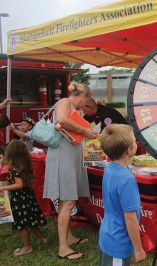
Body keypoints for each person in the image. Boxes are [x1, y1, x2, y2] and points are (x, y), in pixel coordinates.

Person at [43, 82, 96, 261]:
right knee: (67, 202)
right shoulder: (65, 102)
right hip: (62, 157)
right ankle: (63, 248)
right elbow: (62, 120)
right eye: (86, 101)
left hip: (67, 156)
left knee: (66, 200)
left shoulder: (72, 106)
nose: (85, 105)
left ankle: (69, 237)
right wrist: (84, 131)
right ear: (83, 96)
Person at [98, 124, 146, 265]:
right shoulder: (127, 179)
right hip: (118, 243)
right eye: (134, 141)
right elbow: (130, 218)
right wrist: (138, 249)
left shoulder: (110, 168)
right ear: (129, 150)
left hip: (107, 234)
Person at [0, 140, 48, 256]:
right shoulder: (24, 164)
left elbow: (19, 184)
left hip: (20, 199)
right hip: (28, 196)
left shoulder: (15, 168)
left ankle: (27, 247)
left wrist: (4, 188)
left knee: (21, 224)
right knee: (31, 220)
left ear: (11, 152)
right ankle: (42, 239)